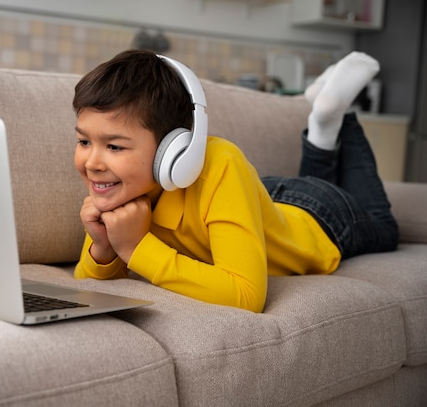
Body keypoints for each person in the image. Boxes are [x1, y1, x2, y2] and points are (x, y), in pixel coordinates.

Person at [72, 50, 398, 313]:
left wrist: (137, 248)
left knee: (385, 229)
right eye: (84, 142)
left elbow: (246, 295)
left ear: (174, 150)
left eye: (114, 146)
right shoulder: (122, 185)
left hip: (321, 218)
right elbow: (87, 287)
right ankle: (320, 120)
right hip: (264, 200)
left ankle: (336, 116)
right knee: (305, 189)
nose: (92, 163)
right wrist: (103, 247)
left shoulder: (221, 163)